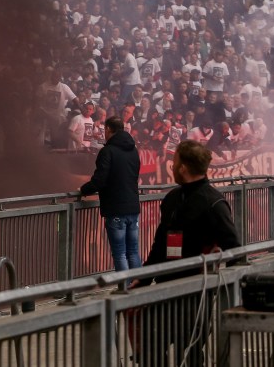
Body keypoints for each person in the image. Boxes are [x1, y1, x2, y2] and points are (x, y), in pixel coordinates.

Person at [144, 140, 240, 276]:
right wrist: (144, 278)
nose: (173, 167)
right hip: (167, 284)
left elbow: (234, 248)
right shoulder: (172, 198)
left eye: (175, 162)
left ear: (183, 168)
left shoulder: (214, 203)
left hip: (199, 288)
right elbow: (160, 242)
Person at [79, 116, 142, 272]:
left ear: (107, 129)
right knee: (133, 251)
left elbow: (100, 179)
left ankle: (125, 289)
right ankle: (138, 287)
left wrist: (83, 190)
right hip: (133, 207)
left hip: (116, 208)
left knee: (119, 253)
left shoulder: (107, 151)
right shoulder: (134, 150)